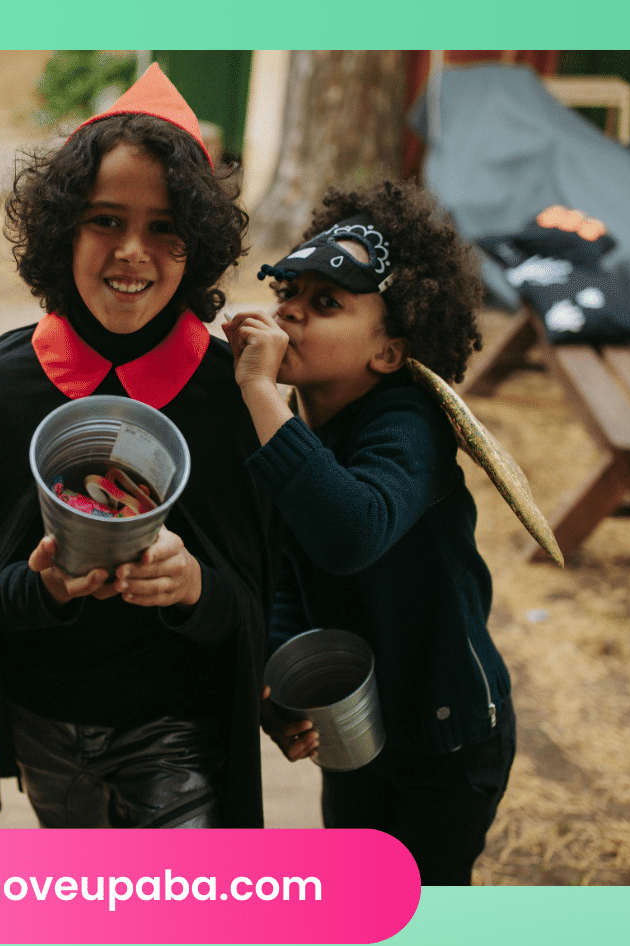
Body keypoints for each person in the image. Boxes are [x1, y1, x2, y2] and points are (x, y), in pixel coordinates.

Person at [0, 65, 273, 829]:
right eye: (105, 220)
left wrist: (194, 587)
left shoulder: (229, 397)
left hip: (179, 734)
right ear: (61, 228)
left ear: (200, 243)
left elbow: (255, 606)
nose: (132, 251)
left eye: (164, 227)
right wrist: (48, 587)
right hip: (46, 730)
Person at [223, 182, 574, 883]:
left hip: (451, 741)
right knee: (360, 896)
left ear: (388, 352)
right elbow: (287, 569)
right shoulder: (289, 429)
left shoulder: (406, 426)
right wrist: (284, 675)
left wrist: (260, 396)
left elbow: (350, 532)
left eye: (327, 304)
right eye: (290, 290)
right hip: (362, 735)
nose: (290, 310)